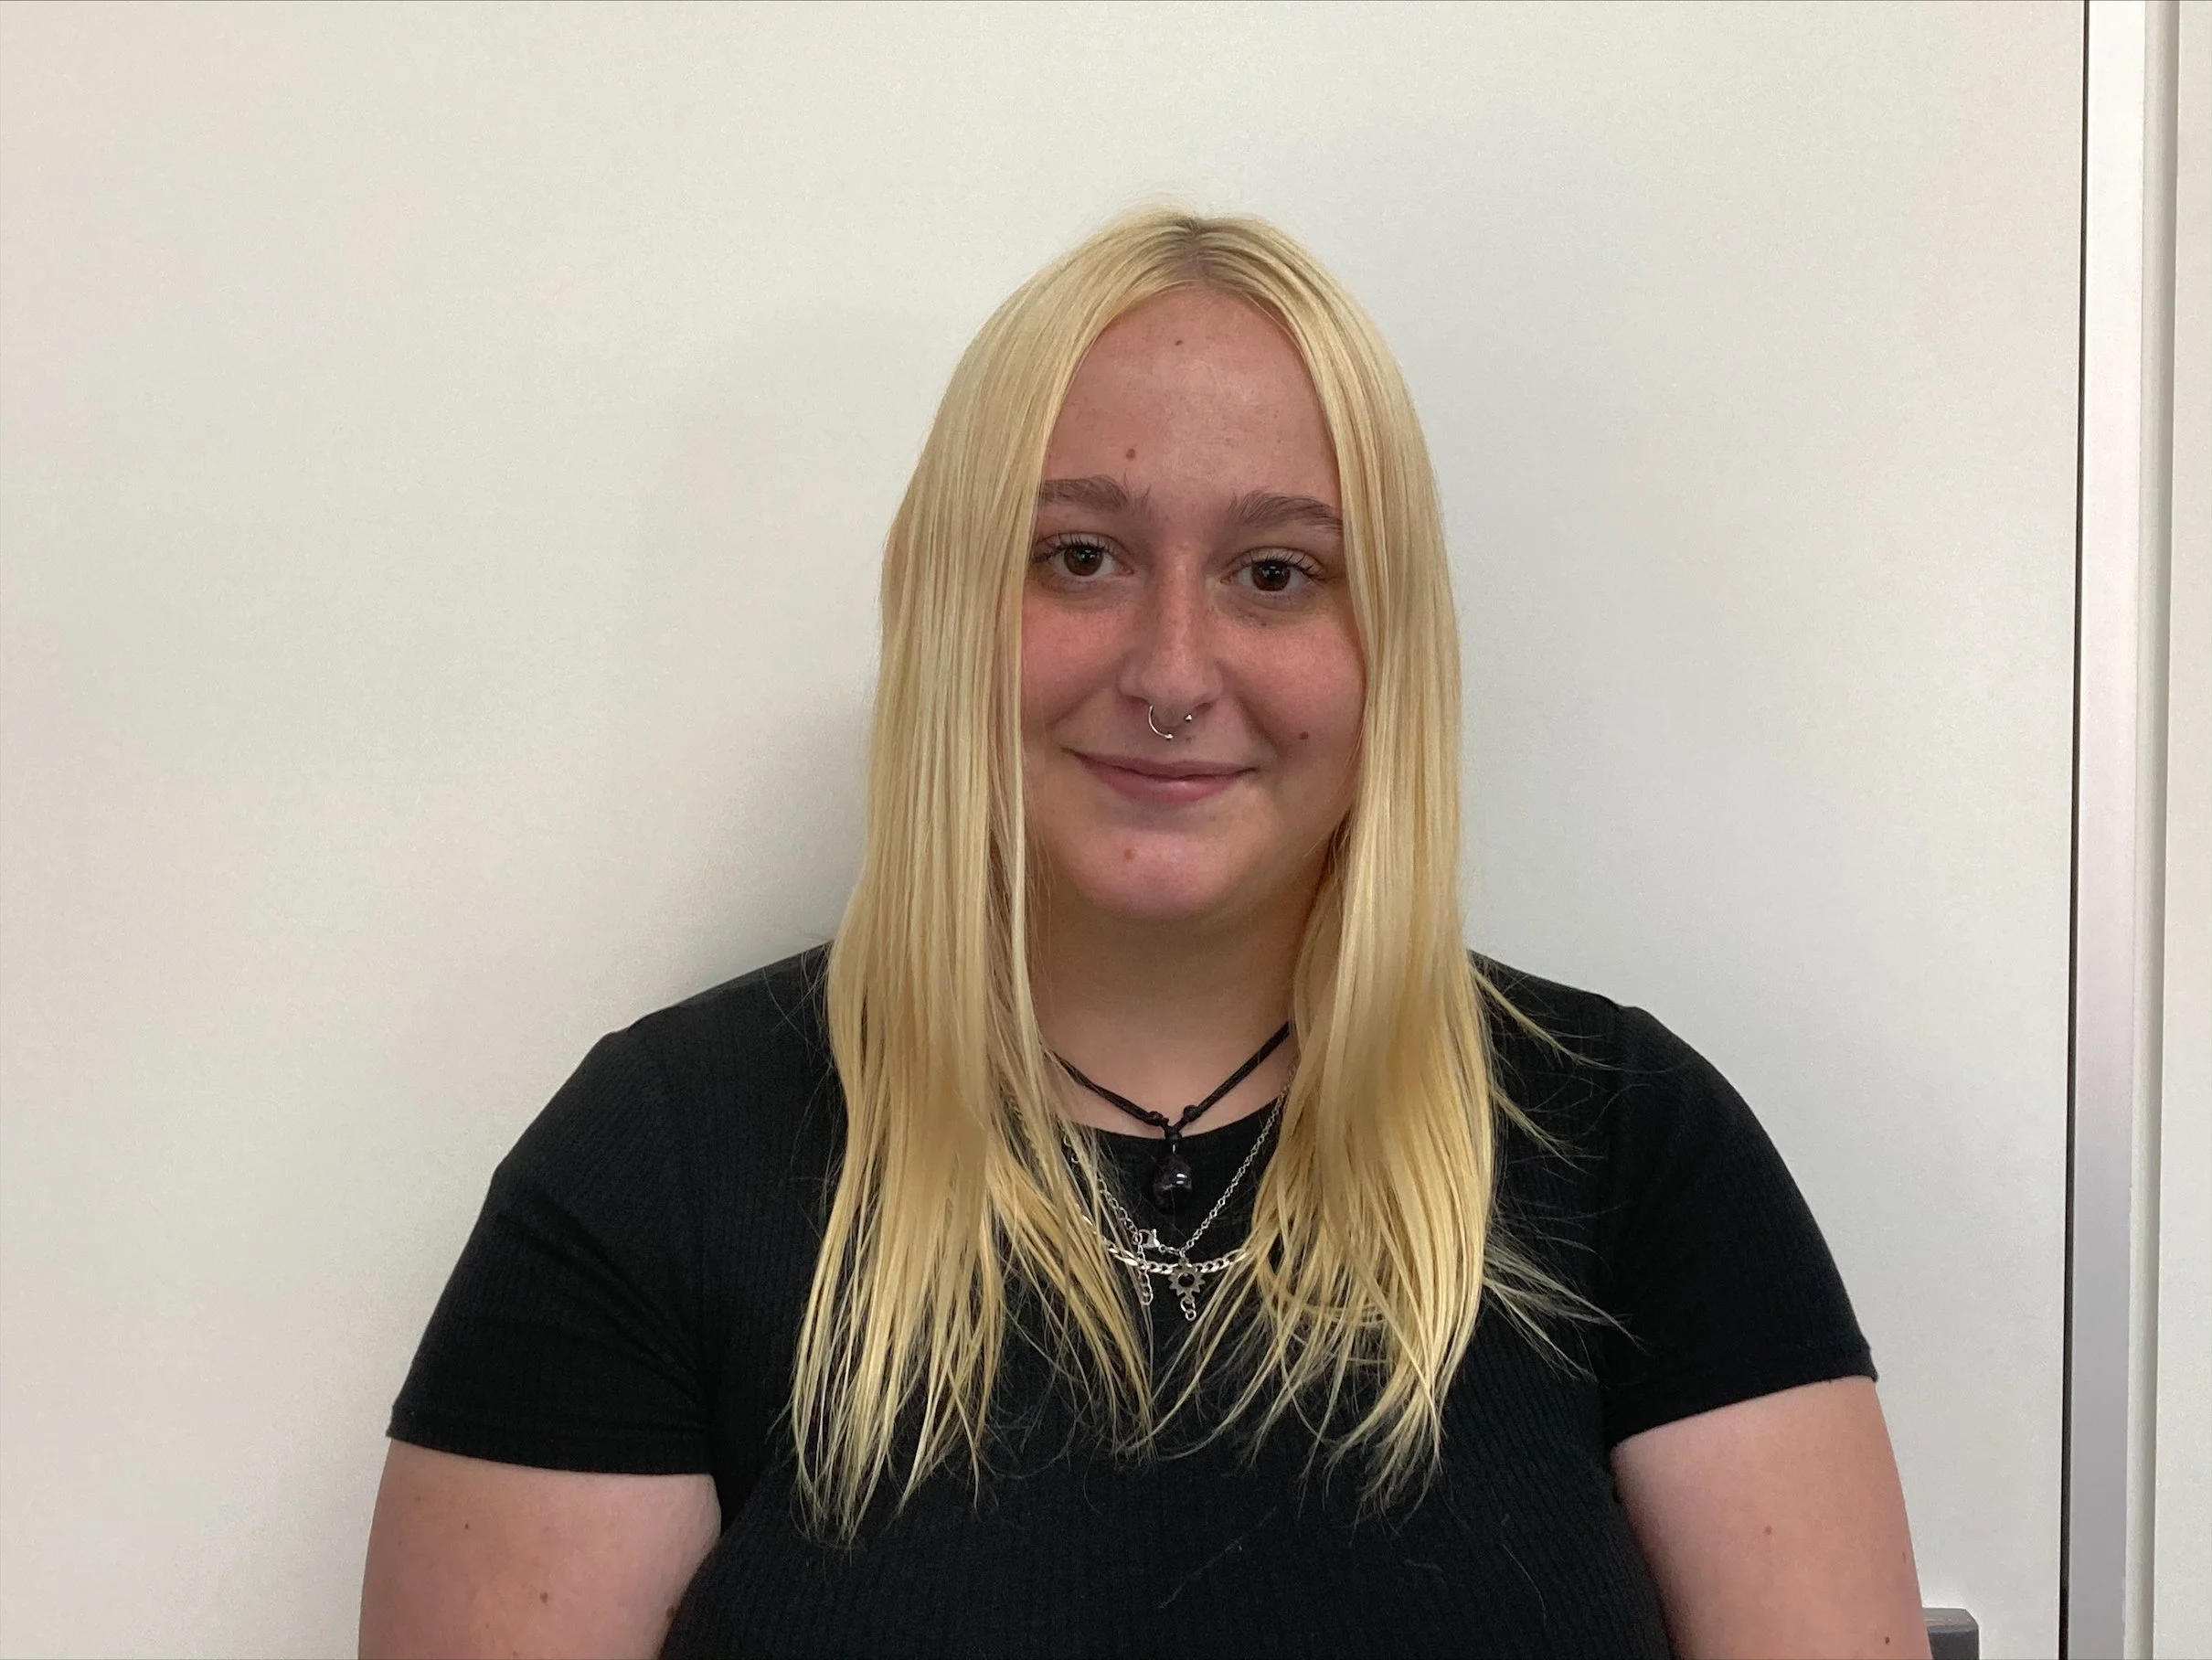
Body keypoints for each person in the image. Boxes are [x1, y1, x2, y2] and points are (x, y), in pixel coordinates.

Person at [358, 210, 1930, 1659]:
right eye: (1081, 557)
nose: (1175, 670)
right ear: (952, 606)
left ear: (1387, 650)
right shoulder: (655, 1167)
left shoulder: (1634, 1151)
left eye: (1275, 572)